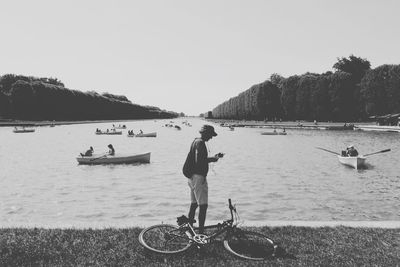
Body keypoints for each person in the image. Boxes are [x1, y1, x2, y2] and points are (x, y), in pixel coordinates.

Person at [185, 124, 222, 234]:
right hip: (199, 177)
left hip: (191, 177)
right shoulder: (201, 143)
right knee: (203, 206)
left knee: (194, 204)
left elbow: (198, 159)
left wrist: (212, 158)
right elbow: (200, 161)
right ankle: (201, 233)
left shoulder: (195, 141)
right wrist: (213, 159)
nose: (211, 137)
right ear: (205, 133)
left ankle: (190, 228)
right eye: (210, 135)